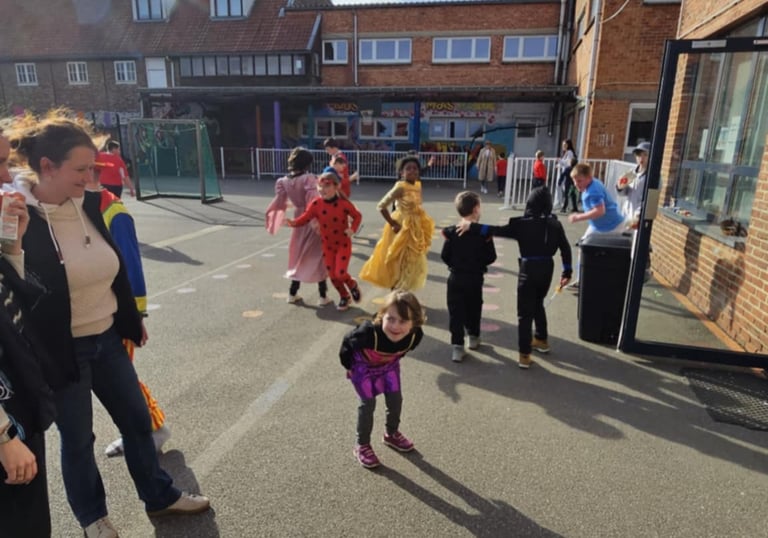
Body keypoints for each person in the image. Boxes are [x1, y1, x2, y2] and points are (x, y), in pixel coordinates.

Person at [7, 111, 210, 538]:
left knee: (138, 422)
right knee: (78, 440)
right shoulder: (16, 213)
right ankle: (93, 520)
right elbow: (15, 290)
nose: (91, 176)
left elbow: (112, 268)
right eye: (81, 169)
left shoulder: (89, 205)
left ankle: (160, 496)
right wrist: (16, 242)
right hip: (61, 351)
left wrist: (128, 319)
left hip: (107, 338)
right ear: (48, 167)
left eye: (93, 168)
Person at [86, 162, 172, 457]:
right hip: (89, 314)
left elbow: (130, 268)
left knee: (123, 379)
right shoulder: (72, 211)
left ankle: (154, 428)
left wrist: (135, 316)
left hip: (114, 315)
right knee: (111, 384)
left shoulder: (113, 212)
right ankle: (137, 431)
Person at [0, 127, 56, 537]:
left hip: (18, 403)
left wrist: (12, 248)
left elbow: (14, 307)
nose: (4, 177)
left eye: (5, 162)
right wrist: (2, 438)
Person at [458, 187, 572, 368]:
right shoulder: (555, 224)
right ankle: (541, 339)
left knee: (524, 313)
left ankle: (524, 354)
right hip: (547, 268)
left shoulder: (522, 223)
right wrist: (567, 271)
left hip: (528, 268)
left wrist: (471, 226)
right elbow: (565, 248)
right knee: (538, 303)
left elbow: (495, 230)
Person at [339, 289, 425, 469]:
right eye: (390, 319)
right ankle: (362, 445)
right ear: (381, 315)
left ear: (414, 322)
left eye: (403, 321)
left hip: (389, 367)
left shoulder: (415, 336)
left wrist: (392, 360)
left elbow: (401, 352)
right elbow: (347, 344)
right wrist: (349, 367)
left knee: (395, 400)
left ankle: (391, 433)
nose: (395, 326)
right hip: (363, 367)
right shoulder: (367, 333)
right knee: (367, 404)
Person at [286, 171, 363, 311]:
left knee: (340, 273)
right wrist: (291, 222)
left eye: (327, 186)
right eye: (320, 186)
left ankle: (352, 284)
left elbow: (357, 216)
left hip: (342, 244)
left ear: (336, 186)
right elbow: (305, 218)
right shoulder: (316, 204)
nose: (322, 190)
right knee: (332, 276)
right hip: (327, 246)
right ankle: (344, 296)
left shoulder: (343, 204)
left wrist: (352, 229)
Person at [265, 147, 331, 306]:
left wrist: (278, 214)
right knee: (318, 256)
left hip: (298, 219)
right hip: (310, 218)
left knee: (298, 254)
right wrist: (320, 222)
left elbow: (280, 201)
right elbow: (313, 202)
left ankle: (292, 293)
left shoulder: (284, 181)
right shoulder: (308, 178)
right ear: (307, 163)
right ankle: (323, 296)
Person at [359, 155, 435, 291]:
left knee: (411, 259)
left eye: (415, 168)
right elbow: (381, 206)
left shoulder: (418, 184)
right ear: (401, 172)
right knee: (398, 258)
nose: (412, 171)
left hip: (415, 225)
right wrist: (393, 223)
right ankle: (395, 290)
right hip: (401, 226)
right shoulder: (400, 186)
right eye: (408, 168)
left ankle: (403, 289)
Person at [441, 191, 497, 362]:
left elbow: (445, 255)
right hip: (475, 277)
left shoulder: (451, 232)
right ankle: (473, 337)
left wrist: (455, 264)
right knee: (474, 307)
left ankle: (457, 346)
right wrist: (479, 263)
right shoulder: (483, 233)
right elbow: (491, 256)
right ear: (476, 209)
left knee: (455, 311)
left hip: (456, 276)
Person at [568, 162, 627, 285]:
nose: (576, 184)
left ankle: (586, 280)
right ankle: (582, 280)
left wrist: (578, 217)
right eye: (574, 181)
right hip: (600, 225)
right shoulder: (593, 183)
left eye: (579, 181)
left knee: (599, 251)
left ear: (588, 178)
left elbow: (600, 211)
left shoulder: (593, 191)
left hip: (611, 226)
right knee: (584, 248)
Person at [616, 142, 650, 227]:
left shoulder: (652, 176)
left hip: (638, 217)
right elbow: (623, 193)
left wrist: (638, 215)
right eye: (639, 155)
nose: (641, 158)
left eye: (645, 155)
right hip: (626, 213)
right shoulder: (631, 172)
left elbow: (649, 200)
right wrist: (620, 187)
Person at [557, 140, 577, 211]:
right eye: (563, 145)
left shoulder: (569, 152)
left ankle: (564, 207)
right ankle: (574, 207)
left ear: (568, 145)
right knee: (572, 192)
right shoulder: (567, 153)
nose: (563, 146)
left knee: (566, 192)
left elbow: (567, 162)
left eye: (565, 145)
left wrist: (560, 161)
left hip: (568, 176)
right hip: (570, 176)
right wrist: (559, 164)